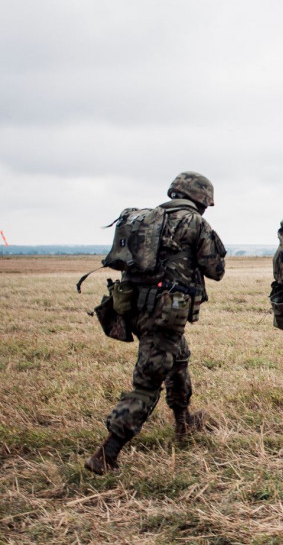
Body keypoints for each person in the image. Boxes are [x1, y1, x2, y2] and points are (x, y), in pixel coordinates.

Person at [85, 171, 226, 475]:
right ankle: (107, 453)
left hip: (132, 307)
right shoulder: (194, 223)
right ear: (201, 198)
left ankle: (183, 421)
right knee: (148, 384)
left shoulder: (146, 218)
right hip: (164, 314)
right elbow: (215, 269)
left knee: (179, 357)